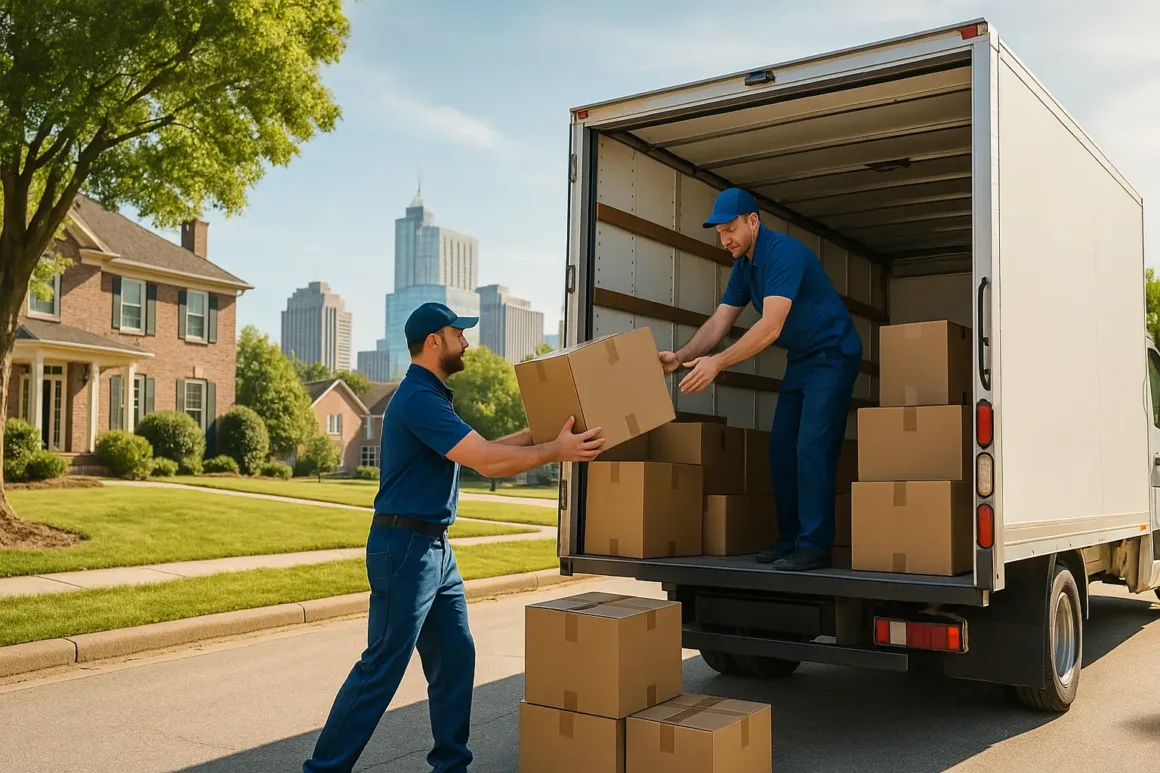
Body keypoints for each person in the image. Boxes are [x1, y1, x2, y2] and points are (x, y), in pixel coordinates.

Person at [304, 302, 604, 773]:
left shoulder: (434, 398)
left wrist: (538, 434)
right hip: (405, 549)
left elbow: (481, 450)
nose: (466, 341)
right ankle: (322, 770)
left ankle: (451, 766)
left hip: (434, 551)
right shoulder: (417, 399)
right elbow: (487, 462)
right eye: (457, 333)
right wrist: (555, 450)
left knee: (456, 656)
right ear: (433, 342)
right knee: (381, 667)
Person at [659, 188, 861, 572]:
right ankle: (790, 539)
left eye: (731, 229)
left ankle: (815, 545)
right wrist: (682, 356)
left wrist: (717, 363)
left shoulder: (783, 253)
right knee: (781, 448)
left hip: (834, 354)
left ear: (754, 221)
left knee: (811, 447)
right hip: (803, 358)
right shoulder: (744, 267)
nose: (725, 240)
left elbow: (770, 326)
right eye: (720, 233)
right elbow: (721, 320)